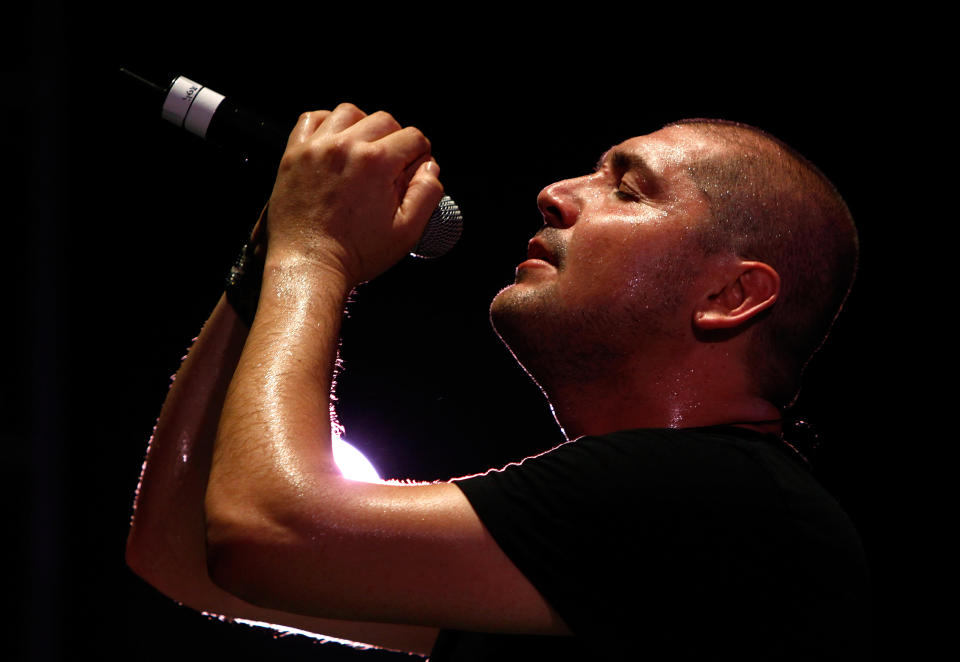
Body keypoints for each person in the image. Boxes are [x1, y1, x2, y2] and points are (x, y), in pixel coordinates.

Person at [126, 104, 870, 660]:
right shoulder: (632, 538)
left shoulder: (720, 502)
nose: (554, 193)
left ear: (730, 297)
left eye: (630, 190)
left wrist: (314, 251)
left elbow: (268, 535)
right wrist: (270, 254)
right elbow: (183, 556)